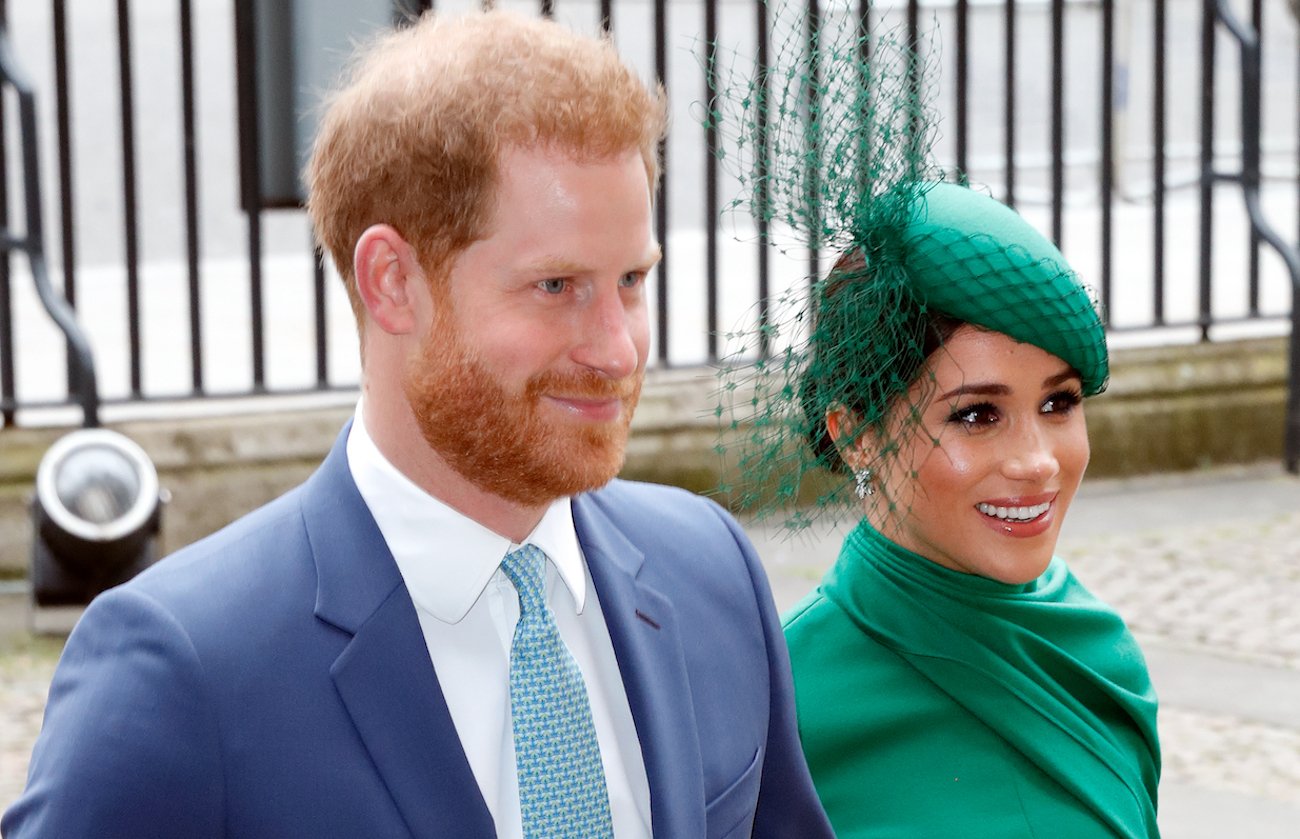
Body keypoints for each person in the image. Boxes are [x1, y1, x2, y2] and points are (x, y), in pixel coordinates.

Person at [3, 10, 832, 839]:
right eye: (556, 286)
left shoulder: (712, 575)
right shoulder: (182, 670)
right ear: (392, 281)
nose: (617, 349)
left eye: (631, 280)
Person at [777, 181, 1162, 837]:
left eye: (1058, 402)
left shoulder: (1098, 650)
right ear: (856, 432)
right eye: (979, 414)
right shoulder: (784, 707)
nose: (1037, 459)